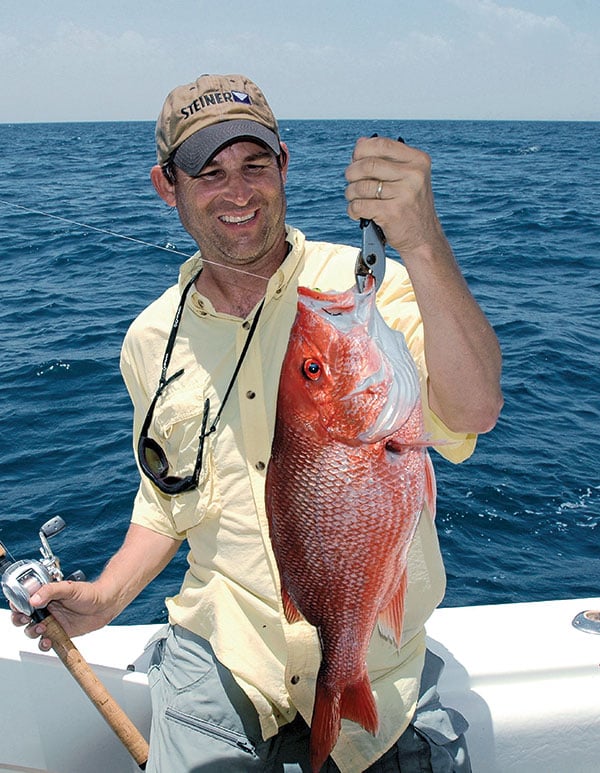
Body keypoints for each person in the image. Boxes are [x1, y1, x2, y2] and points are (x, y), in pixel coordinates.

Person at [12, 73, 503, 772]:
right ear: (166, 186)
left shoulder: (371, 288)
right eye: (209, 173)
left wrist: (421, 244)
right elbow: (167, 499)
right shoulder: (151, 339)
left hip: (378, 656)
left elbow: (474, 409)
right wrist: (104, 597)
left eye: (255, 165)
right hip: (220, 649)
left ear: (284, 166)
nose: (238, 192)